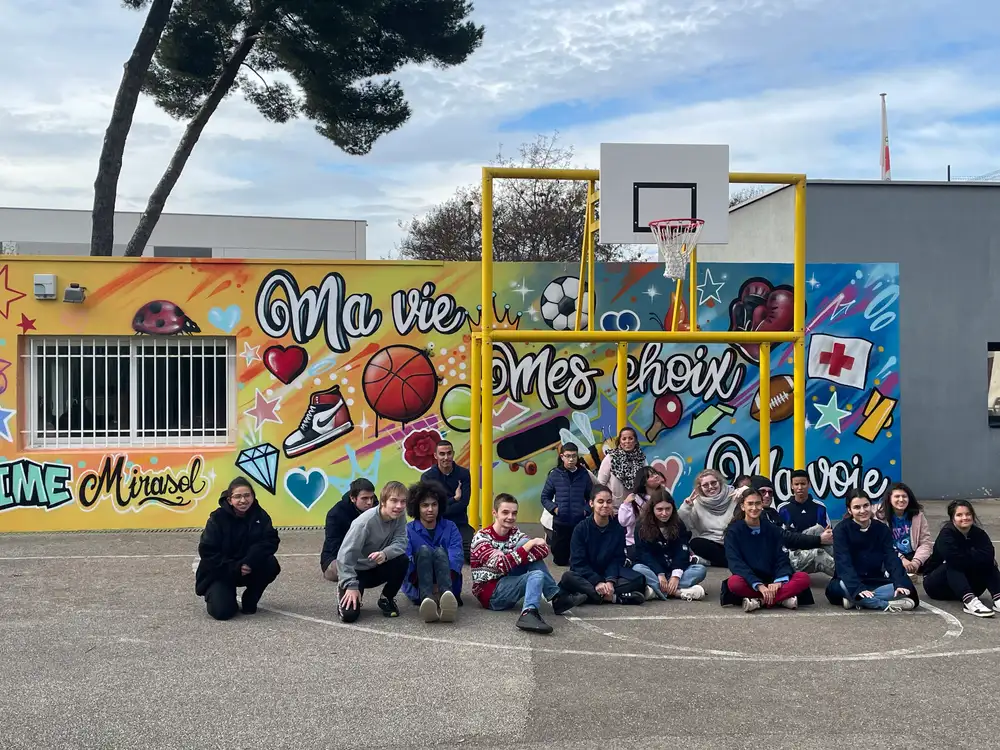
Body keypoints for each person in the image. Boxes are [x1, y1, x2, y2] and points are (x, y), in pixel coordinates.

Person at [470, 493, 586, 634]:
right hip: (490, 593)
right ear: (494, 513)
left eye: (514, 513)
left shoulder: (514, 532)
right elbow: (501, 565)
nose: (510, 517)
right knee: (535, 572)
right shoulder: (482, 537)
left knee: (525, 545)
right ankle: (529, 613)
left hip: (507, 578)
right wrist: (528, 546)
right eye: (505, 512)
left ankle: (556, 598)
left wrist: (517, 553)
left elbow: (543, 550)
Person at [195, 478, 281, 620]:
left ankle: (250, 598)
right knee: (223, 612)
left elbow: (270, 541)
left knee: (271, 563)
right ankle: (224, 597)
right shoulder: (217, 518)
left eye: (247, 495)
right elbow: (207, 551)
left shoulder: (260, 515)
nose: (243, 500)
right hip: (221, 571)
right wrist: (235, 567)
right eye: (237, 496)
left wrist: (249, 561)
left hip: (249, 566)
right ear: (230, 500)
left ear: (253, 496)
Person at [825, 488, 919, 612]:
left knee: (907, 587)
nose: (862, 511)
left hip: (876, 580)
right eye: (857, 507)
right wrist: (857, 588)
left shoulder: (882, 529)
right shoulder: (841, 530)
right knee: (838, 588)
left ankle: (858, 601)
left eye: (866, 506)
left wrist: (899, 583)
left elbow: (891, 557)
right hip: (850, 580)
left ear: (871, 506)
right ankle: (883, 604)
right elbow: (843, 563)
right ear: (849, 510)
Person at [721, 488, 812, 612]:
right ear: (742, 506)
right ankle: (781, 599)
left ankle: (760, 601)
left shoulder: (772, 529)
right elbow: (735, 563)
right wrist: (758, 585)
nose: (754, 508)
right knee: (734, 583)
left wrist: (779, 581)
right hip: (750, 581)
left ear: (762, 505)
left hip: (773, 580)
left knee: (803, 578)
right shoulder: (733, 532)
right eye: (750, 504)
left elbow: (782, 557)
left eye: (758, 503)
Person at [557, 485, 647, 606]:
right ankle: (613, 598)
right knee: (568, 577)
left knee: (639, 579)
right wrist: (597, 582)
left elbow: (617, 559)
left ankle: (587, 595)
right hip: (587, 575)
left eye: (609, 502)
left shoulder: (618, 529)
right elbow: (578, 563)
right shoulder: (581, 529)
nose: (605, 505)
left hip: (607, 573)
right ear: (591, 503)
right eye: (600, 502)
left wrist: (610, 581)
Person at [337, 481, 410, 622]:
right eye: (394, 501)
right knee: (349, 616)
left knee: (402, 560)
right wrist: (350, 583)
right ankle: (345, 587)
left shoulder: (400, 515)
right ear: (383, 501)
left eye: (403, 501)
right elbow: (345, 555)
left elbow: (401, 541)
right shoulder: (364, 523)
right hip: (357, 573)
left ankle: (386, 598)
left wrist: (385, 554)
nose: (399, 506)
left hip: (376, 567)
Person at [923, 500, 1000, 618]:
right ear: (952, 518)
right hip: (937, 585)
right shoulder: (946, 535)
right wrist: (975, 555)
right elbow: (954, 559)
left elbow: (989, 555)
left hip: (969, 584)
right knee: (953, 564)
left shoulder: (979, 533)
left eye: (968, 514)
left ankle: (998, 597)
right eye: (959, 515)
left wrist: (968, 556)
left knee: (990, 563)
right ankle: (970, 602)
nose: (965, 518)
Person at [401, 480, 464, 623]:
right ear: (417, 507)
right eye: (425, 505)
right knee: (424, 551)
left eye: (434, 504)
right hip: (419, 584)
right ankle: (427, 599)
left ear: (440, 505)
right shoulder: (408, 530)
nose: (430, 509)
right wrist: (429, 587)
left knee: (440, 552)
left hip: (448, 581)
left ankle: (445, 596)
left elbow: (456, 556)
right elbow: (406, 561)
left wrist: (440, 586)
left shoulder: (450, 527)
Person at [631, 487, 707, 601]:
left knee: (700, 570)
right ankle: (678, 592)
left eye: (668, 509)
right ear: (652, 509)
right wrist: (659, 574)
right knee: (637, 569)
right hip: (653, 570)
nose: (664, 513)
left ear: (673, 508)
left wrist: (676, 576)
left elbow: (682, 551)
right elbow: (644, 554)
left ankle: (656, 591)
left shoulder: (678, 523)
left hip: (674, 569)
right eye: (659, 509)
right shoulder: (641, 526)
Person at [752, 475, 835, 576]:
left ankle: (845, 562)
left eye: (770, 492)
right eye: (762, 492)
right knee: (818, 554)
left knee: (818, 529)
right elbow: (785, 537)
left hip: (786, 548)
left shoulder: (772, 512)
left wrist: (821, 537)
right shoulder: (756, 515)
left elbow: (789, 534)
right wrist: (819, 540)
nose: (767, 495)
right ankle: (847, 576)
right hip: (778, 560)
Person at [540, 441, 594, 565]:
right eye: (568, 456)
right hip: (561, 522)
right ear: (562, 457)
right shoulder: (555, 475)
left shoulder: (583, 474)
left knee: (579, 560)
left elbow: (592, 497)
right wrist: (555, 509)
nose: (571, 459)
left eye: (574, 456)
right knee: (560, 561)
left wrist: (585, 511)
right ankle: (552, 540)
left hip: (579, 522)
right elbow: (545, 497)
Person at [421, 440, 474, 562]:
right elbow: (430, 507)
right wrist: (454, 499)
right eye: (442, 454)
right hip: (435, 522)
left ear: (453, 454)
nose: (446, 457)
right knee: (427, 553)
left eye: (449, 453)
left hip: (459, 522)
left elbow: (463, 503)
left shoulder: (463, 474)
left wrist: (440, 506)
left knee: (469, 554)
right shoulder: (427, 477)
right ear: (436, 456)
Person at [678, 469, 743, 567]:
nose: (710, 487)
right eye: (705, 485)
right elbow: (683, 525)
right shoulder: (696, 503)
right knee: (696, 543)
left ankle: (717, 562)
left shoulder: (734, 495)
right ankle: (735, 562)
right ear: (700, 488)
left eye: (713, 483)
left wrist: (745, 491)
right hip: (714, 544)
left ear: (720, 482)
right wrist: (686, 507)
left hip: (734, 542)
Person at [320, 478, 376, 582]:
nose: (369, 502)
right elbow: (334, 546)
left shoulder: (376, 508)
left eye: (371, 498)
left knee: (398, 560)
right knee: (341, 570)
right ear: (353, 498)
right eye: (364, 498)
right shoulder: (336, 514)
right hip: (339, 557)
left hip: (368, 555)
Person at [875, 482, 932, 576]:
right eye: (897, 496)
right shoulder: (880, 517)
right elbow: (883, 545)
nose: (901, 499)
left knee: (936, 564)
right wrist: (901, 559)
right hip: (891, 555)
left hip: (913, 554)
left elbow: (926, 543)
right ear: (889, 498)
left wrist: (916, 561)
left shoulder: (918, 516)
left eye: (904, 496)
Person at [618, 466, 666, 559]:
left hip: (657, 542)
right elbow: (623, 521)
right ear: (644, 482)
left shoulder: (663, 496)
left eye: (656, 473)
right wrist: (626, 504)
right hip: (636, 544)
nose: (656, 476)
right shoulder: (635, 499)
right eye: (651, 476)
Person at [597, 427, 646, 509]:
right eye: (624, 439)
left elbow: (646, 481)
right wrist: (606, 505)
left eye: (630, 438)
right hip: (614, 509)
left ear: (635, 441)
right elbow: (600, 484)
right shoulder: (611, 458)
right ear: (620, 441)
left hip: (636, 507)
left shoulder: (641, 459)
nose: (627, 441)